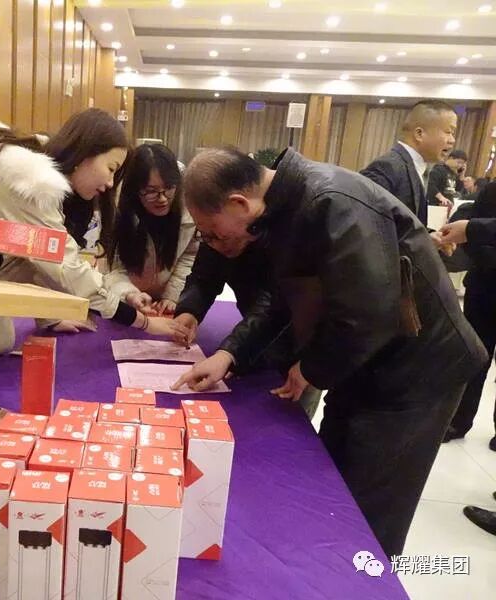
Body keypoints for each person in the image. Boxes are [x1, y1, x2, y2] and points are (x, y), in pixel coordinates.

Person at [175, 146, 487, 558]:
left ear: (239, 203)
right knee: (331, 492)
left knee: (368, 515)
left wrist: (312, 368)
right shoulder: (286, 210)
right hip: (364, 366)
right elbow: (282, 299)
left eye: (213, 232)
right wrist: (229, 354)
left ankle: (363, 579)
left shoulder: (331, 202)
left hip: (414, 377)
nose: (214, 244)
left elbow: (370, 312)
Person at [0, 110, 184, 363]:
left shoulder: (36, 178)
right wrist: (144, 323)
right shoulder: (29, 185)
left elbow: (39, 259)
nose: (111, 183)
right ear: (85, 153)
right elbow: (69, 271)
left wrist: (52, 317)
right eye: (111, 168)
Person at [170, 241, 322, 419]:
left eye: (217, 234)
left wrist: (312, 362)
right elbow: (204, 276)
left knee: (291, 418)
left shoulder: (291, 240)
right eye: (205, 234)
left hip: (305, 346)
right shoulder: (220, 235)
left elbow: (274, 305)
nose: (213, 240)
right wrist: (190, 309)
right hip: (256, 335)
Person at [105, 143, 198, 316]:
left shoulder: (188, 211)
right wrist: (130, 294)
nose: (162, 199)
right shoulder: (116, 213)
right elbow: (112, 270)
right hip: (124, 300)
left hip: (163, 304)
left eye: (168, 188)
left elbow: (189, 256)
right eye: (151, 191)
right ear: (135, 190)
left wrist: (172, 296)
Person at [435, 190, 496, 451]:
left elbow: (473, 228)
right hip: (483, 284)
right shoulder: (491, 191)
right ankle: (458, 420)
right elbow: (471, 235)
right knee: (473, 356)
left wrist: (473, 230)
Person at [361, 100, 458, 225]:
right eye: (448, 132)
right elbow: (366, 224)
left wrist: (430, 235)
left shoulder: (420, 169)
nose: (452, 140)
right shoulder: (387, 167)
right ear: (419, 134)